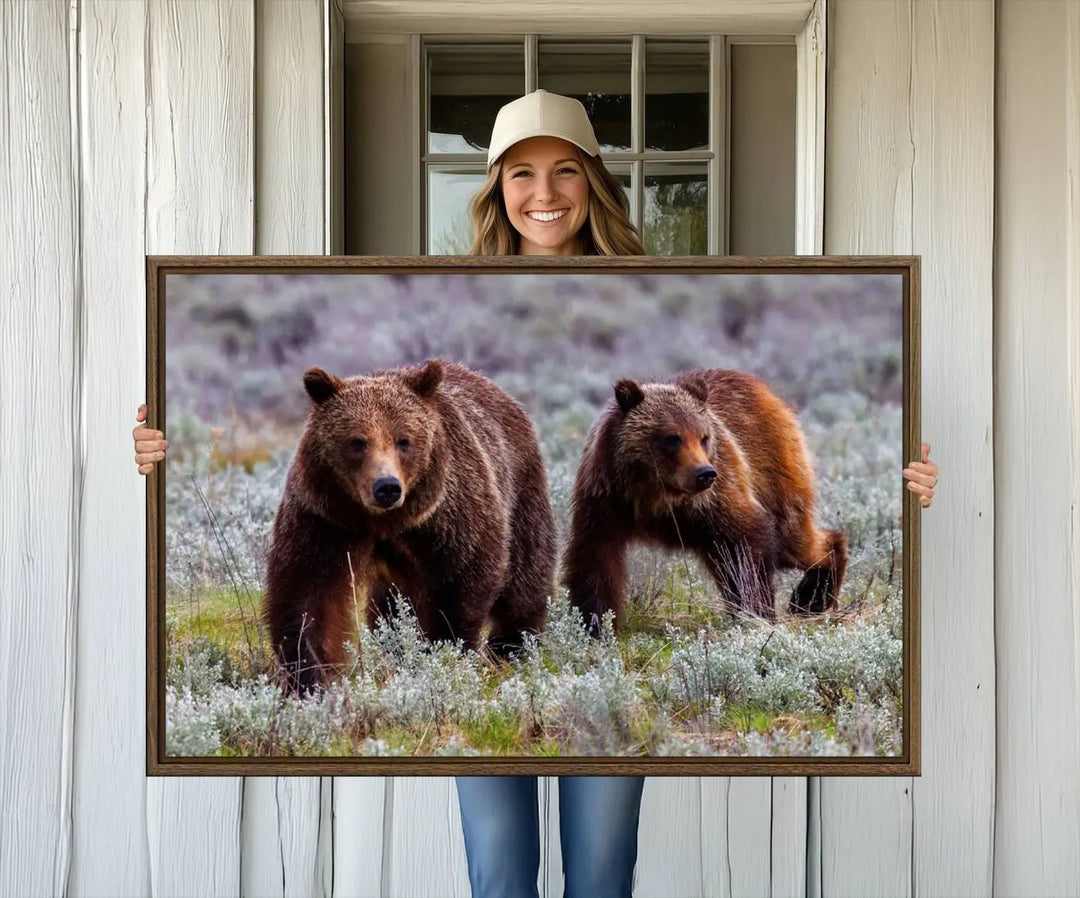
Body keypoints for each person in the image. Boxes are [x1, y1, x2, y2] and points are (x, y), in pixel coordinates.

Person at [131, 89, 940, 898]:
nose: (544, 193)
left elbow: (494, 561)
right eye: (521, 173)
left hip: (503, 543)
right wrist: (155, 448)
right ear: (495, 188)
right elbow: (306, 583)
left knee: (599, 864)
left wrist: (911, 483)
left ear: (594, 181)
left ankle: (493, 650)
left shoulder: (659, 296)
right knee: (499, 866)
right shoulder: (401, 346)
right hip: (404, 499)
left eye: (564, 172)